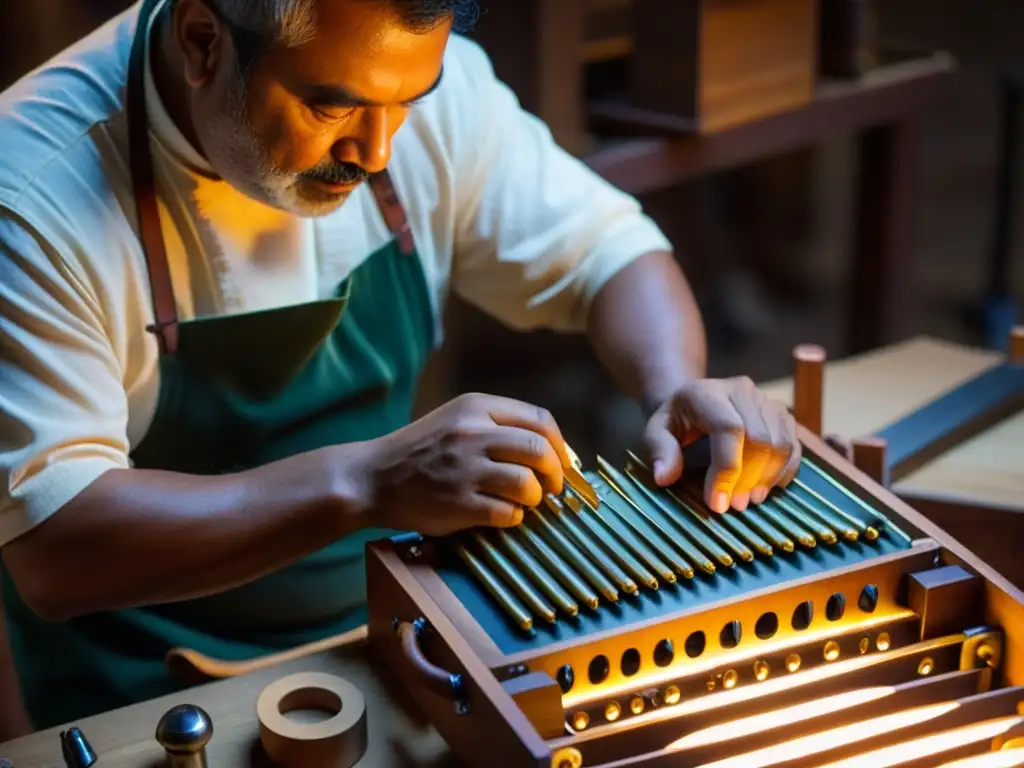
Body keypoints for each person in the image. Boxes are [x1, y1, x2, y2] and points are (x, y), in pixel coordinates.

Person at [0, 0, 801, 730]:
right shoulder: (29, 192)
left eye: (405, 105)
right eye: (331, 105)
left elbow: (607, 254)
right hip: (153, 694)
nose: (376, 151)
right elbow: (56, 546)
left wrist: (673, 388)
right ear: (203, 42)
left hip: (397, 632)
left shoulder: (403, 84)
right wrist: (369, 482)